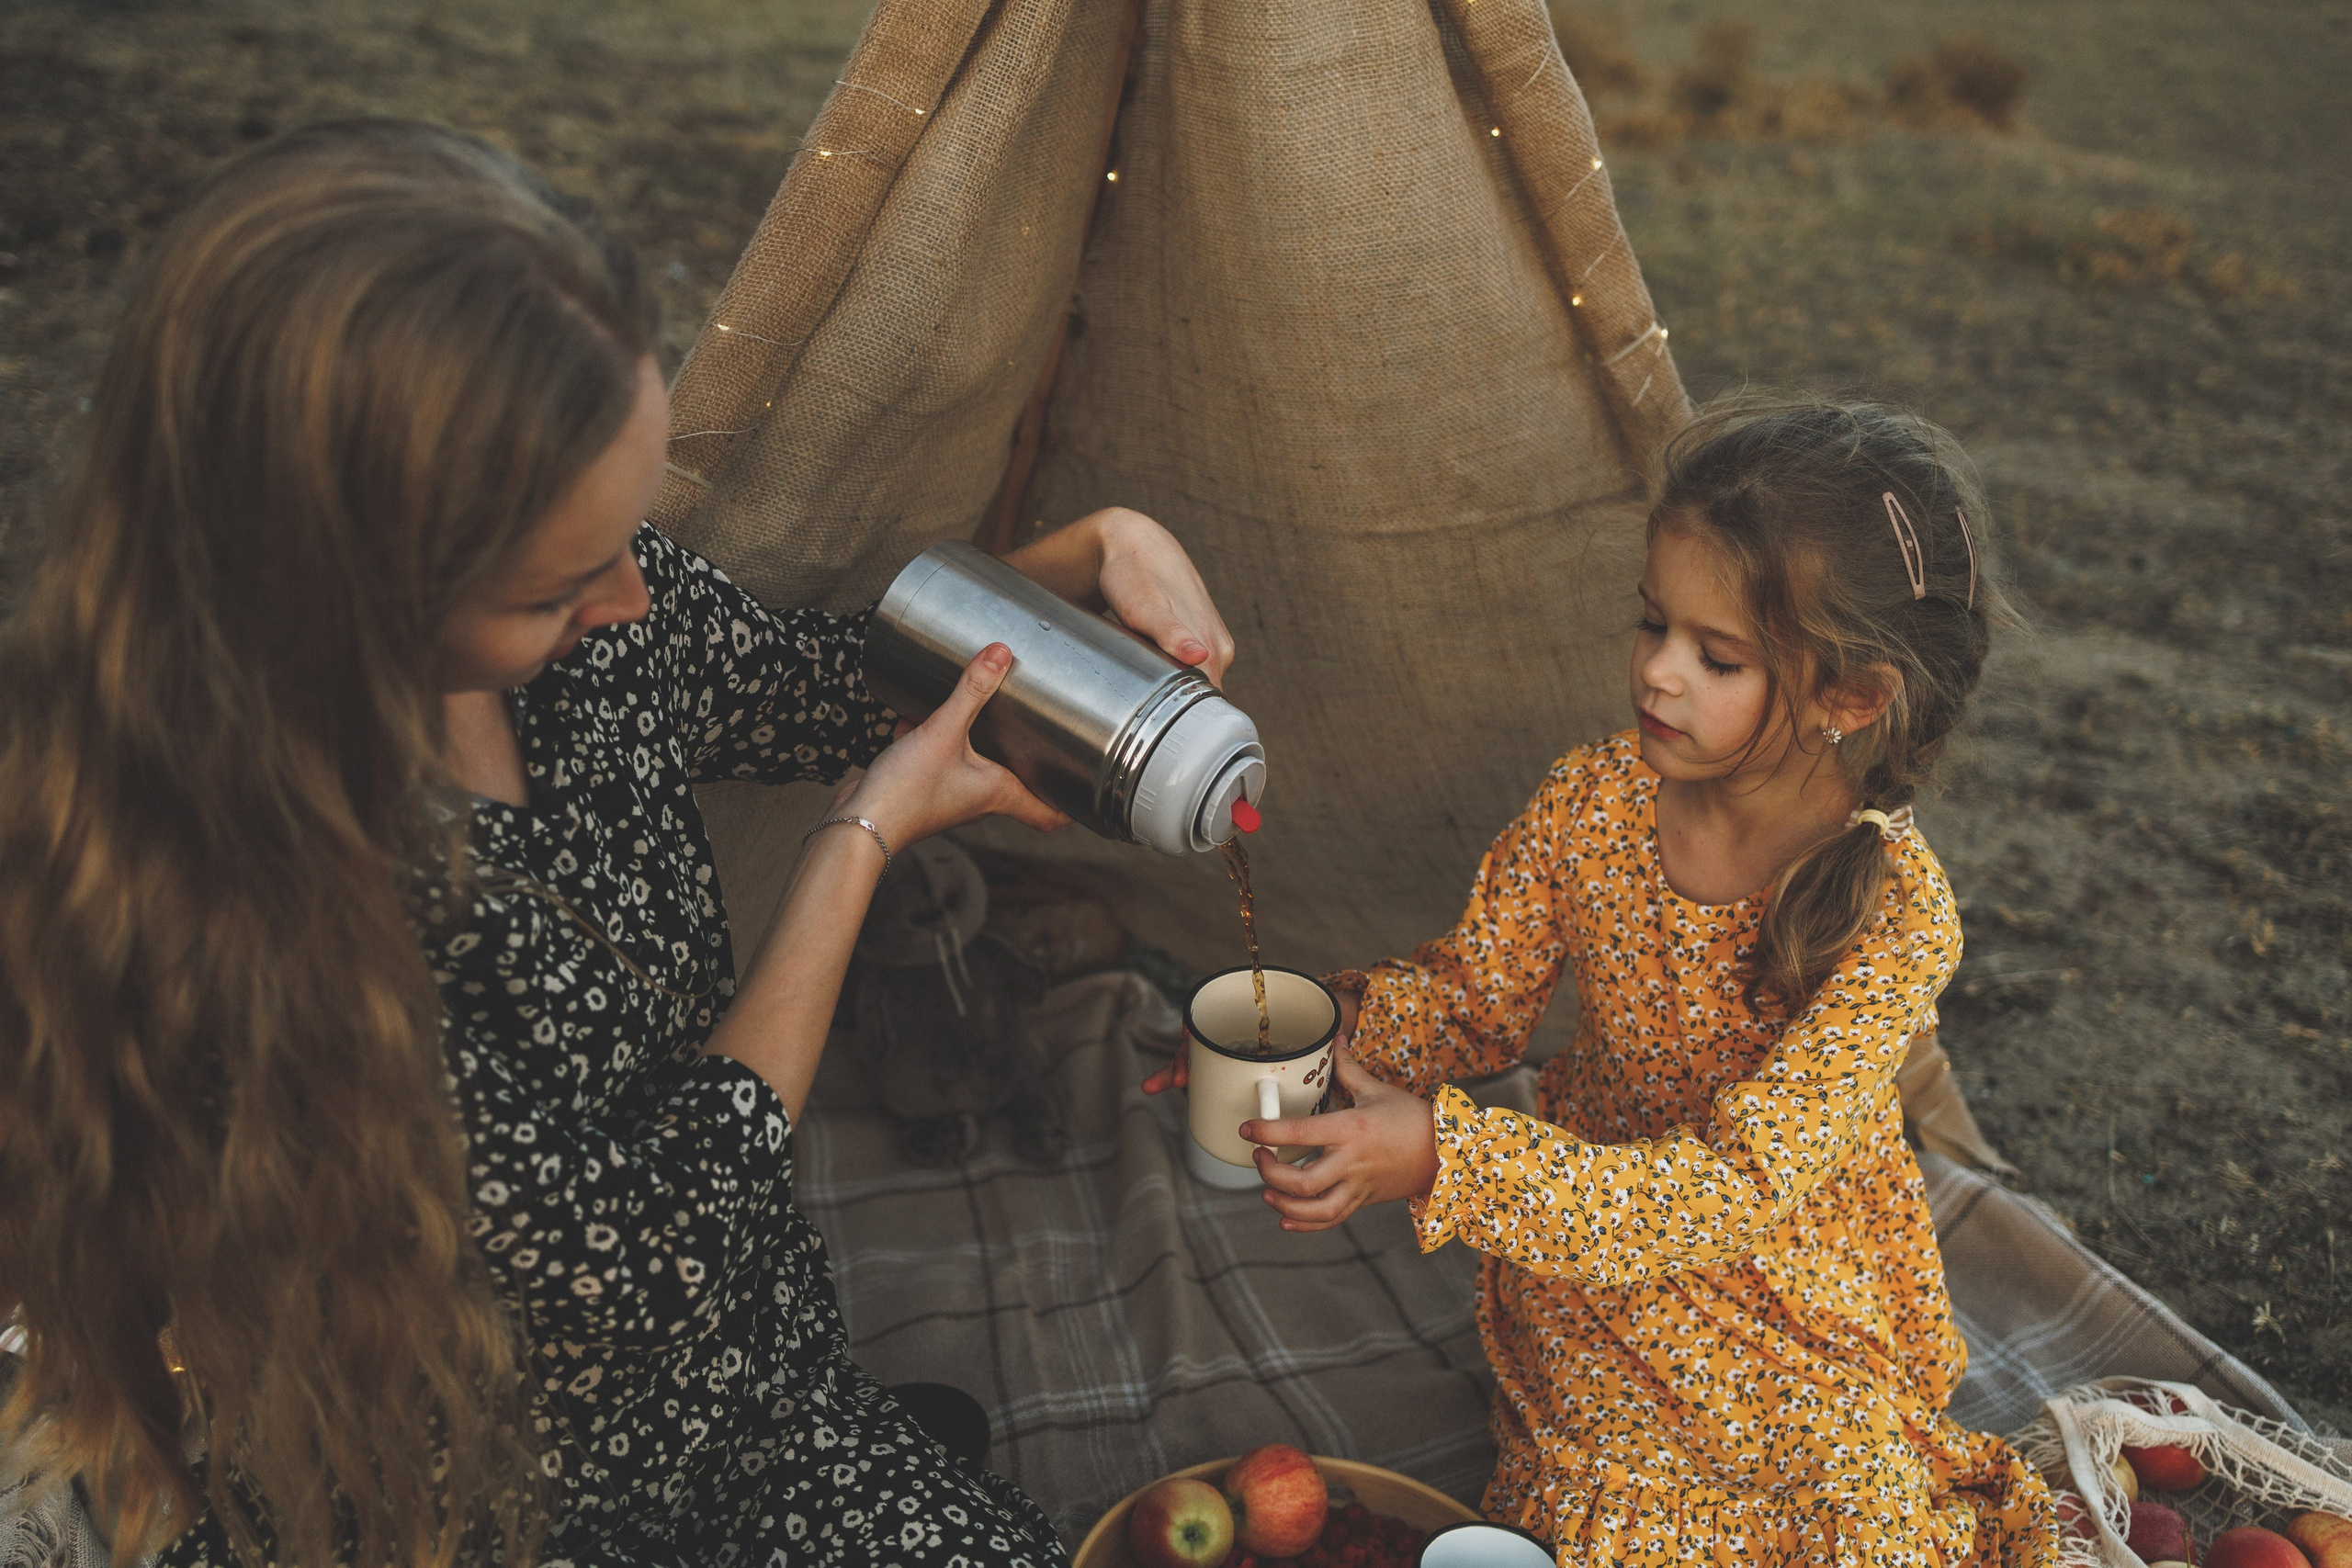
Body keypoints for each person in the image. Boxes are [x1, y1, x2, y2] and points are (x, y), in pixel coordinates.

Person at [0, 118, 1235, 1567]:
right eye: (561, 583)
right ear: (338, 585)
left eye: (627, 540)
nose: (632, 603)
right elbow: (649, 1240)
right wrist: (859, 841)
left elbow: (804, 680)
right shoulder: (238, 903)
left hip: (758, 1399)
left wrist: (1076, 564)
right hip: (462, 1512)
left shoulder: (589, 636)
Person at [1148, 400, 2056, 1564]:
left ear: (1853, 697)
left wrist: (1443, 1155)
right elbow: (1474, 998)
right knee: (1600, 1526)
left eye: (1717, 656)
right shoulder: (1594, 805)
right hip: (1585, 1245)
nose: (1658, 674)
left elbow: (1735, 1184)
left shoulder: (1894, 913)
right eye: (1651, 625)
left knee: (1860, 1518)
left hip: (1795, 1283)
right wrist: (1293, 1046)